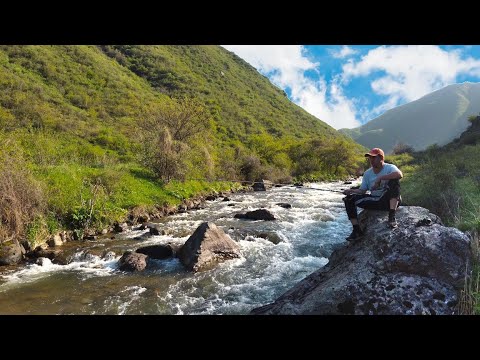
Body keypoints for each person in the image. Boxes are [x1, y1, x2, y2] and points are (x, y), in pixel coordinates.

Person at [342, 147, 403, 242]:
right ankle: (356, 230)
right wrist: (351, 191)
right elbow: (362, 191)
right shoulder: (367, 173)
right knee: (348, 199)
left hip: (389, 200)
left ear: (381, 158)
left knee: (394, 182)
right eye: (370, 158)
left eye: (374, 158)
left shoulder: (389, 167)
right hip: (375, 200)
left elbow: (399, 174)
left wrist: (380, 178)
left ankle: (392, 217)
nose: (371, 160)